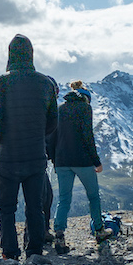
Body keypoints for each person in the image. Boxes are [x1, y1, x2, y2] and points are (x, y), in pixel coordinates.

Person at [0, 34, 58, 260]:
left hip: (8, 156)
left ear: (10, 55)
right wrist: (37, 135)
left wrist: (0, 139)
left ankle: (10, 253)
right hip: (36, 155)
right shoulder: (45, 83)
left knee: (7, 208)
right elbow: (53, 121)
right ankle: (34, 251)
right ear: (31, 54)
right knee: (35, 207)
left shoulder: (2, 82)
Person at [50, 81, 110, 254]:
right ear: (86, 98)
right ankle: (99, 231)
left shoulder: (60, 108)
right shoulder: (85, 109)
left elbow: (52, 136)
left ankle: (59, 235)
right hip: (82, 160)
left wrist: (54, 159)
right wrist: (96, 161)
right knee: (93, 196)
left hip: (62, 161)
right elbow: (87, 135)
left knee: (64, 199)